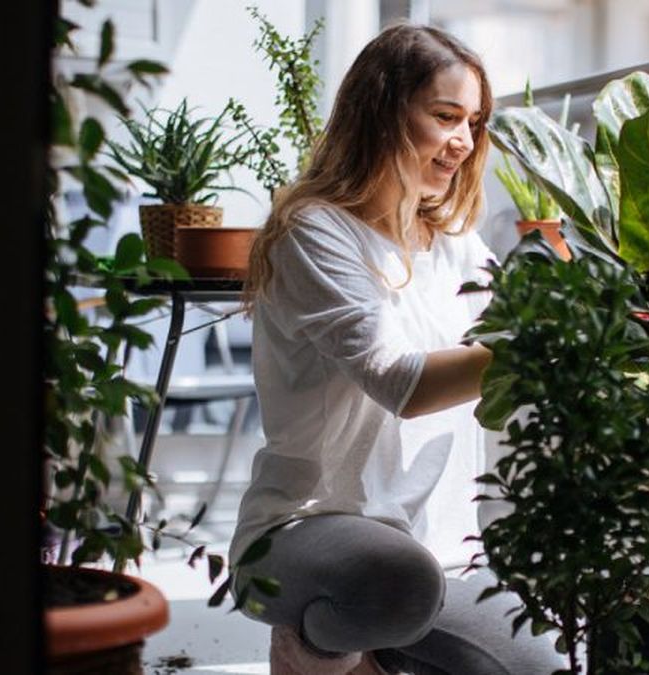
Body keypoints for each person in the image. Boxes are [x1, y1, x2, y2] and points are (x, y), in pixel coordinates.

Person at [229, 22, 566, 675]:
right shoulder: (315, 230)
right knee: (392, 580)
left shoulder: (457, 245)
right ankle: (318, 646)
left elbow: (504, 369)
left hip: (440, 557)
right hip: (304, 530)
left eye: (474, 121)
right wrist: (543, 344)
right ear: (383, 112)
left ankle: (384, 645)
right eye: (445, 116)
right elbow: (402, 384)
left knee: (542, 670)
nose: (464, 141)